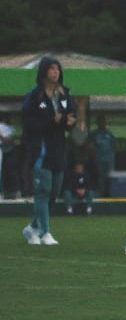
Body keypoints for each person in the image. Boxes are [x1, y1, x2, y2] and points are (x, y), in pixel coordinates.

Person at [21, 57, 76, 245]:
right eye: (52, 69)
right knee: (43, 190)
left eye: (58, 69)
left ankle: (32, 228)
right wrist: (51, 121)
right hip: (41, 150)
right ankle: (45, 232)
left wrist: (70, 121)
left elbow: (71, 114)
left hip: (59, 148)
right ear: (44, 72)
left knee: (55, 191)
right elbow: (28, 123)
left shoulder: (64, 94)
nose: (56, 72)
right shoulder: (34, 96)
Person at [88, 115, 116, 197]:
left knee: (110, 176)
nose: (102, 123)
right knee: (101, 177)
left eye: (104, 121)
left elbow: (114, 145)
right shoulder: (94, 133)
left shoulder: (109, 133)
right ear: (97, 123)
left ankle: (111, 193)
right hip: (99, 159)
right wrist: (92, 153)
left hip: (109, 159)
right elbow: (87, 144)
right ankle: (102, 193)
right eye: (100, 121)